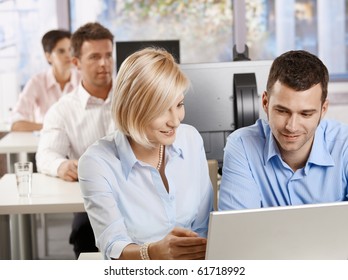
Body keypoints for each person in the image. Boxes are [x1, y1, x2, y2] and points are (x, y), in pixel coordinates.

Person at [78, 48, 213, 260]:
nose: (175, 121)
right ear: (134, 109)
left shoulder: (191, 139)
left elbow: (205, 225)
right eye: (161, 109)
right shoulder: (96, 162)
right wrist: (153, 252)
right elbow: (113, 246)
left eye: (179, 105)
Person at [219, 50, 348, 210]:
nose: (292, 127)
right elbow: (237, 229)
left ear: (324, 109)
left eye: (305, 114)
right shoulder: (242, 145)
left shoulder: (344, 145)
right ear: (265, 102)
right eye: (282, 111)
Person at [36, 22, 115, 258]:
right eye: (94, 57)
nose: (104, 63)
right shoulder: (62, 110)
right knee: (85, 232)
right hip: (92, 201)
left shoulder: (133, 98)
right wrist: (62, 166)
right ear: (76, 62)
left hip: (137, 196)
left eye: (108, 55)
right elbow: (46, 154)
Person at [11, 29, 80, 131]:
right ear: (48, 56)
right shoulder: (37, 81)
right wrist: (51, 128)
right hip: (48, 140)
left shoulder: (83, 79)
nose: (68, 55)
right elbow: (16, 123)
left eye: (70, 50)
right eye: (61, 51)